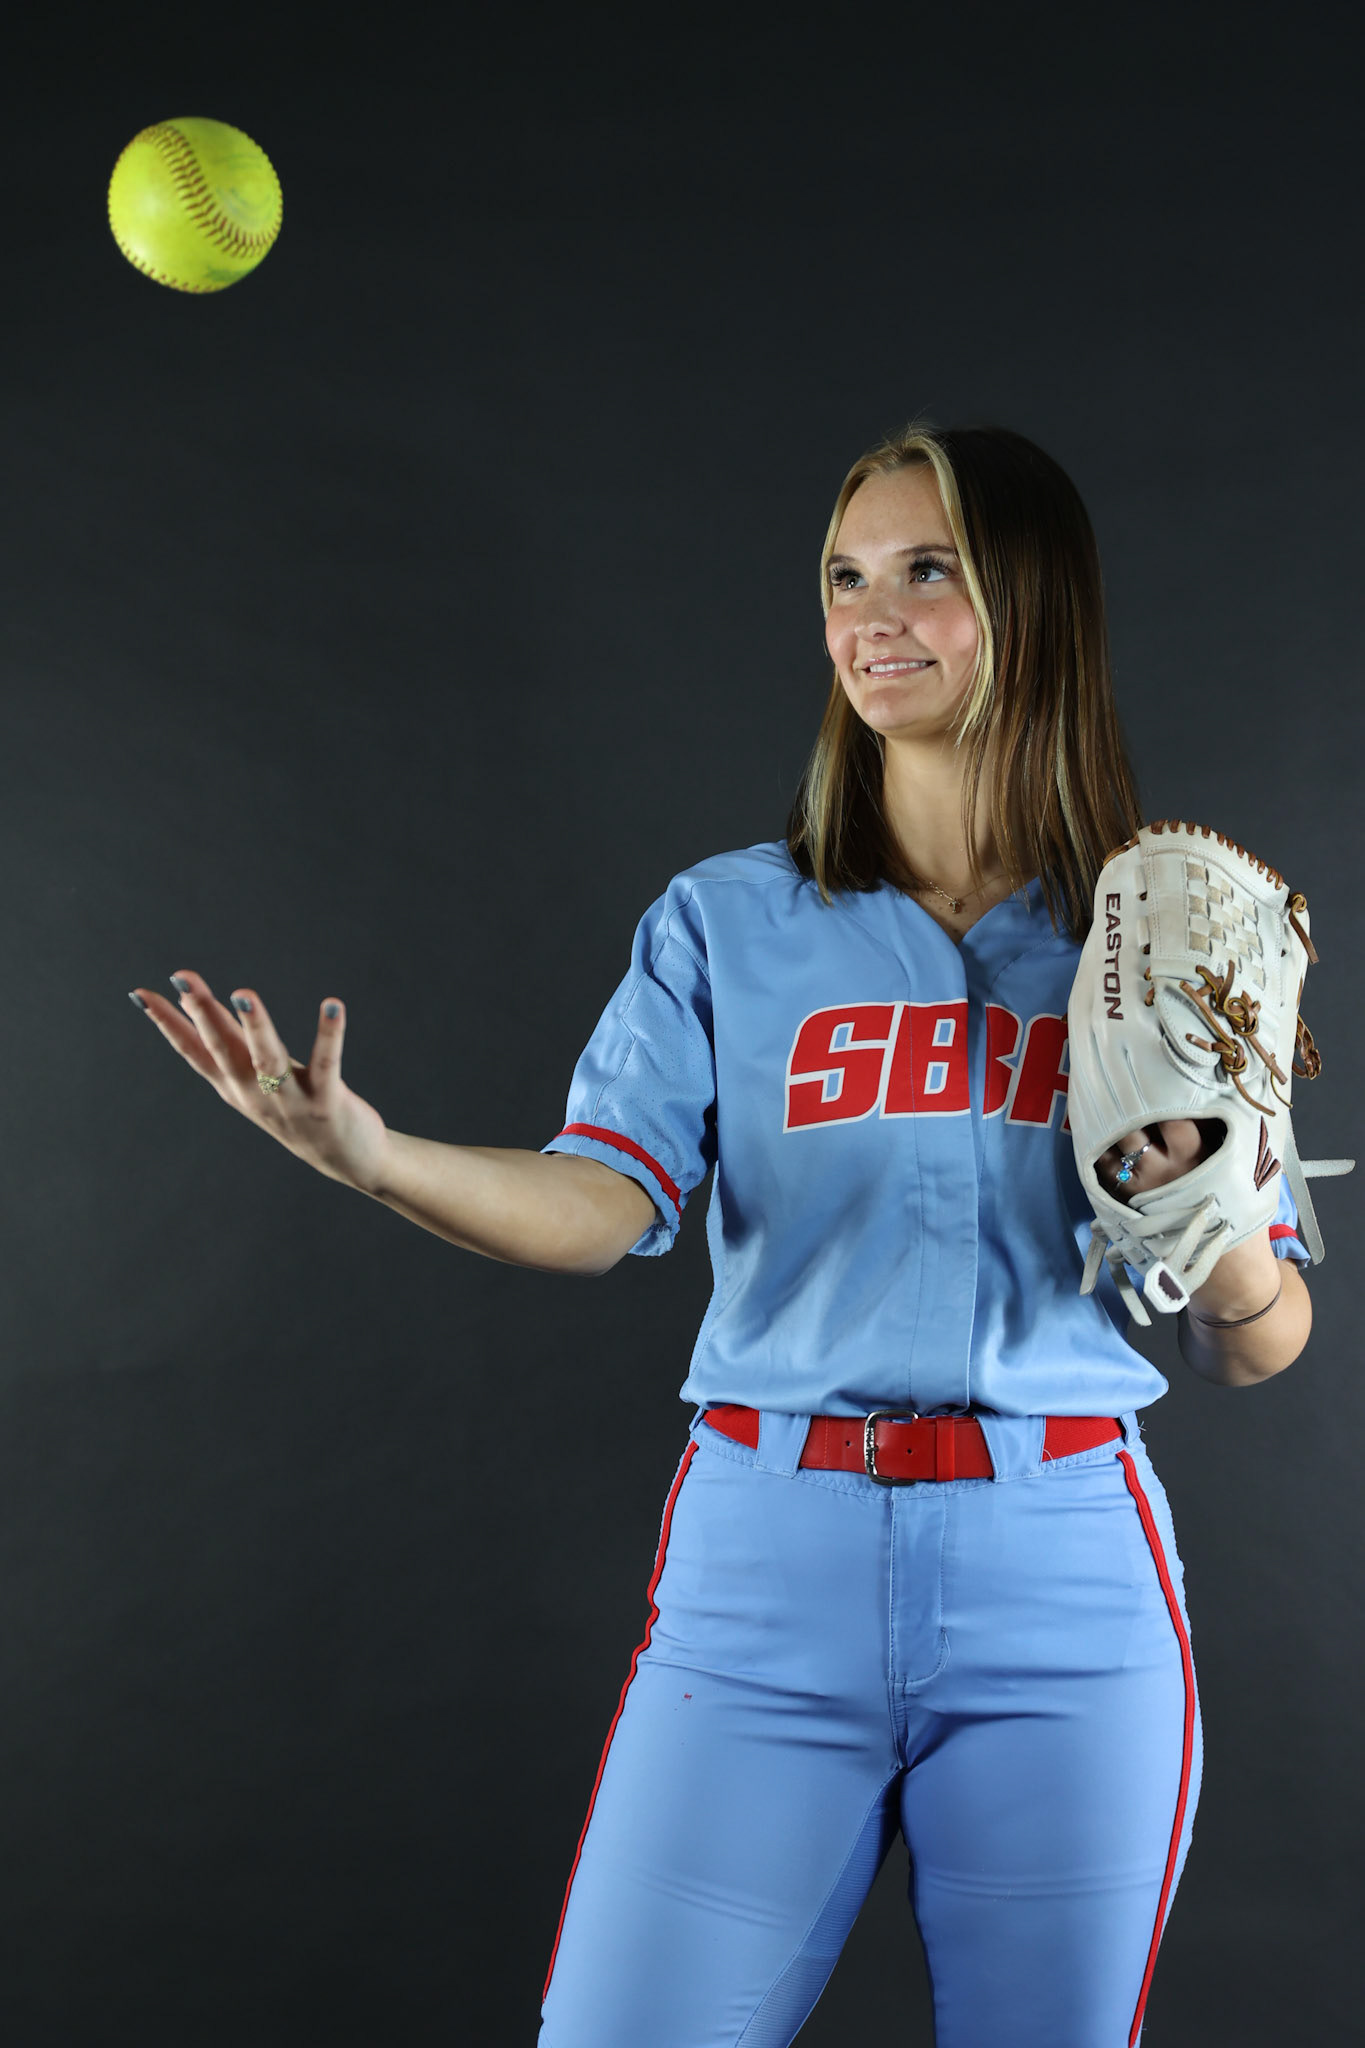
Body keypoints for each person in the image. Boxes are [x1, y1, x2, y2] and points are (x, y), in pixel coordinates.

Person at [128, 421, 1313, 2047]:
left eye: (925, 572)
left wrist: (1208, 1218)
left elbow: (1258, 1336)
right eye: (842, 578)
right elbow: (600, 1202)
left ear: (1034, 603)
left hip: (1067, 1578)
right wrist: (375, 1156)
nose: (869, 617)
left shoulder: (1163, 932)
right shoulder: (725, 921)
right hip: (768, 1567)